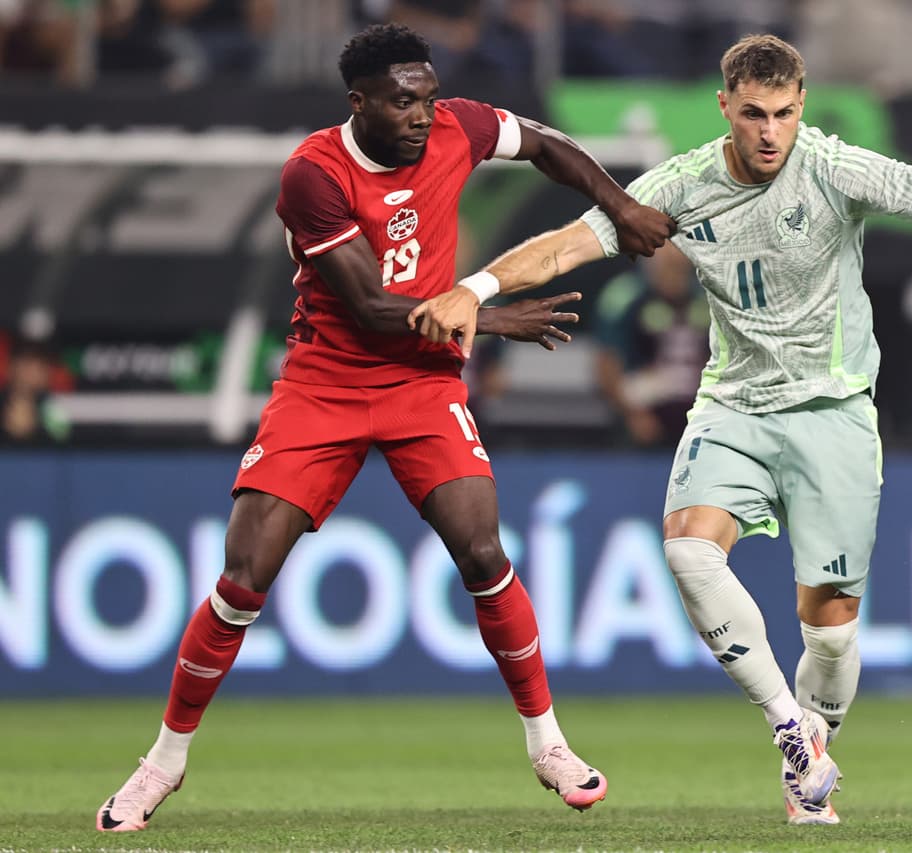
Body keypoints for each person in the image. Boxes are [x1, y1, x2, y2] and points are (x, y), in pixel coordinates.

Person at [411, 34, 912, 825]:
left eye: (784, 114)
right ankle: (790, 729)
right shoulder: (682, 187)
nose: (768, 132)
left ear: (801, 109)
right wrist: (475, 289)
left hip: (834, 412)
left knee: (828, 628)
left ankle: (808, 755)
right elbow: (564, 248)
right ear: (725, 107)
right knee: (688, 549)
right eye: (753, 113)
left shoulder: (833, 168)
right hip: (735, 406)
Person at [95, 22, 674, 833]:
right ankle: (163, 761)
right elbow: (369, 309)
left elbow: (544, 143)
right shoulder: (314, 173)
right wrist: (491, 316)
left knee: (483, 550)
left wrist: (619, 202)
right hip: (326, 382)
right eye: (402, 102)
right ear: (358, 102)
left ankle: (548, 743)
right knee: (242, 576)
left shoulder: (457, 125)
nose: (421, 117)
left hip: (422, 383)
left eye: (428, 98)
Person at [594, 242, 710, 447]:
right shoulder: (624, 296)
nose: (672, 254)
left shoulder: (708, 296)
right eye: (665, 246)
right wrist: (633, 415)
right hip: (642, 409)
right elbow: (606, 363)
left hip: (698, 412)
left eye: (678, 245)